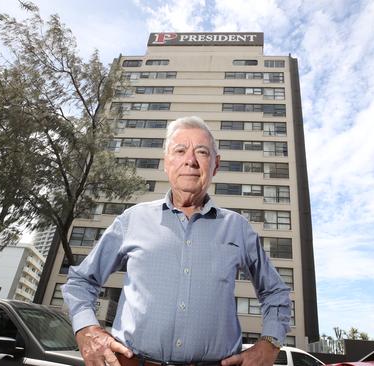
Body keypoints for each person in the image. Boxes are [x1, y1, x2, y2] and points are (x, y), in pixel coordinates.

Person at [62, 116, 292, 366]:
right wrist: (87, 329)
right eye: (180, 150)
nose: (190, 161)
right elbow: (81, 281)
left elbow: (276, 293)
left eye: (202, 152)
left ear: (215, 165)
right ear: (166, 162)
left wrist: (269, 344)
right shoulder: (133, 219)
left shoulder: (237, 228)